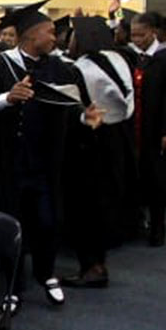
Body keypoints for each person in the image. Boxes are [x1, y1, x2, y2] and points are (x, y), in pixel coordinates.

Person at [0, 0, 102, 307]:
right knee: (11, 224)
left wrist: (85, 118)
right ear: (30, 35)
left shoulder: (60, 68)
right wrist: (5, 98)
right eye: (49, 32)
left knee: (47, 221)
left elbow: (70, 107)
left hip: (44, 162)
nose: (55, 37)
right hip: (7, 162)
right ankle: (13, 286)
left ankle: (47, 274)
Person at [61, 17, 135, 288]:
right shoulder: (118, 61)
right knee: (102, 205)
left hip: (89, 147)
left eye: (72, 37)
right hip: (117, 142)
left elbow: (77, 111)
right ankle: (97, 263)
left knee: (86, 209)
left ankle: (92, 267)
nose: (68, 42)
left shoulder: (82, 69)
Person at [120, 13, 166, 246]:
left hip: (156, 127)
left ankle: (158, 226)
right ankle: (135, 221)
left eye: (141, 35)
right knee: (133, 176)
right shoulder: (129, 57)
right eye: (133, 35)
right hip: (133, 126)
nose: (137, 39)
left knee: (155, 179)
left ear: (153, 32)